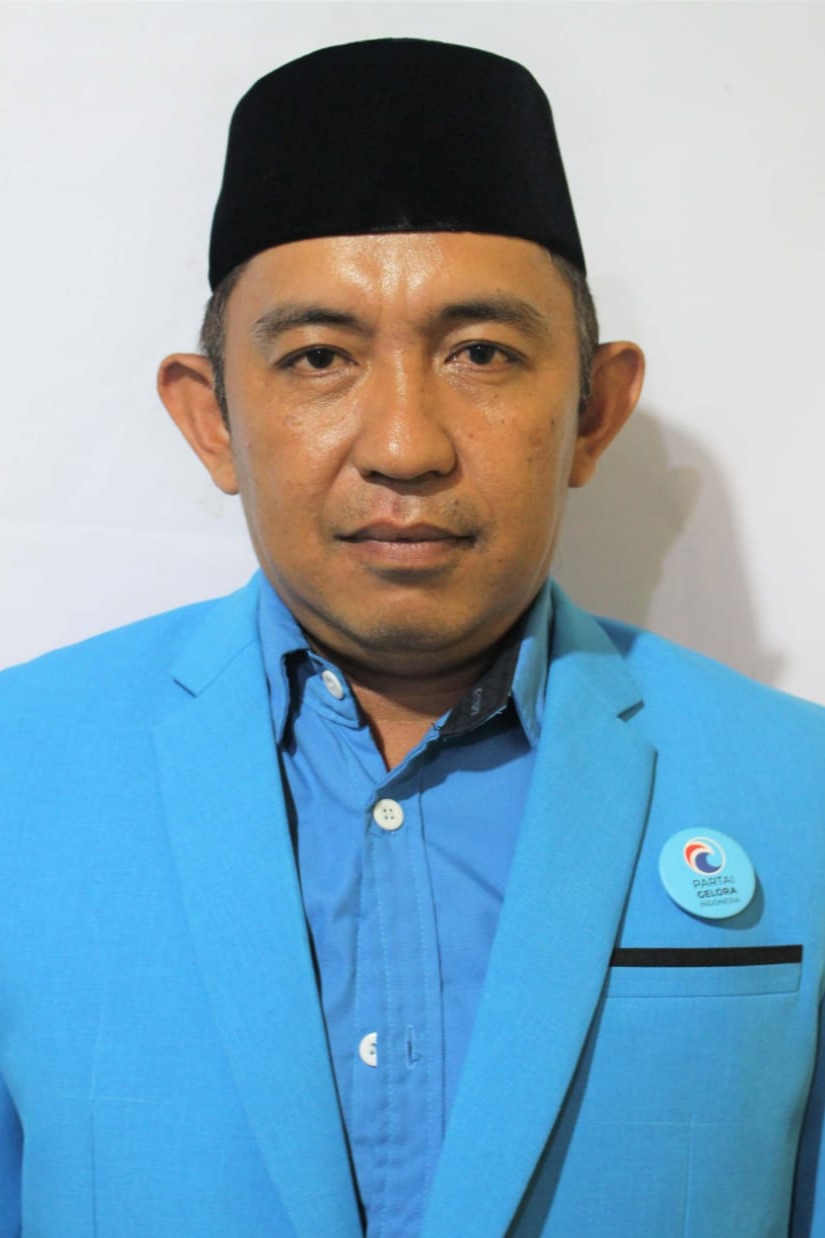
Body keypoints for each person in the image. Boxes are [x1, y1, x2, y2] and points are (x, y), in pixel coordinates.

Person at [0, 37, 822, 1238]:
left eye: (481, 352)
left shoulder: (803, 792)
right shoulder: (19, 775)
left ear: (592, 410)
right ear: (211, 417)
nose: (404, 443)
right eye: (318, 357)